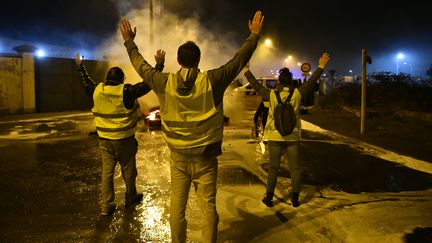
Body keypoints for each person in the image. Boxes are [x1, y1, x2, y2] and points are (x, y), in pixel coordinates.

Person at [119, 10, 264, 243]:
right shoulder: (212, 80)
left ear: (178, 60)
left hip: (178, 157)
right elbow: (237, 61)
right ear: (198, 60)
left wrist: (129, 42)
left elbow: (141, 67)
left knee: (177, 207)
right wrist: (253, 37)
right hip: (206, 158)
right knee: (208, 208)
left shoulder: (164, 81)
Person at [74, 49, 165, 216]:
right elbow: (147, 84)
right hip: (124, 141)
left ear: (107, 79)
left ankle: (106, 206)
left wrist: (80, 66)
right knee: (129, 171)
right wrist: (159, 65)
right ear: (122, 80)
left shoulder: (97, 90)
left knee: (107, 174)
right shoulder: (126, 91)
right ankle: (130, 197)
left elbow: (85, 81)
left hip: (105, 141)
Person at [243, 52, 330, 208]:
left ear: (278, 81)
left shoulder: (271, 95)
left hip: (274, 136)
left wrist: (246, 71)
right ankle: (295, 199)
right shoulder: (297, 94)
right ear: (291, 81)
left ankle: (269, 197)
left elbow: (255, 85)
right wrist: (321, 67)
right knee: (294, 168)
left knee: (273, 168)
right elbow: (311, 82)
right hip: (292, 136)